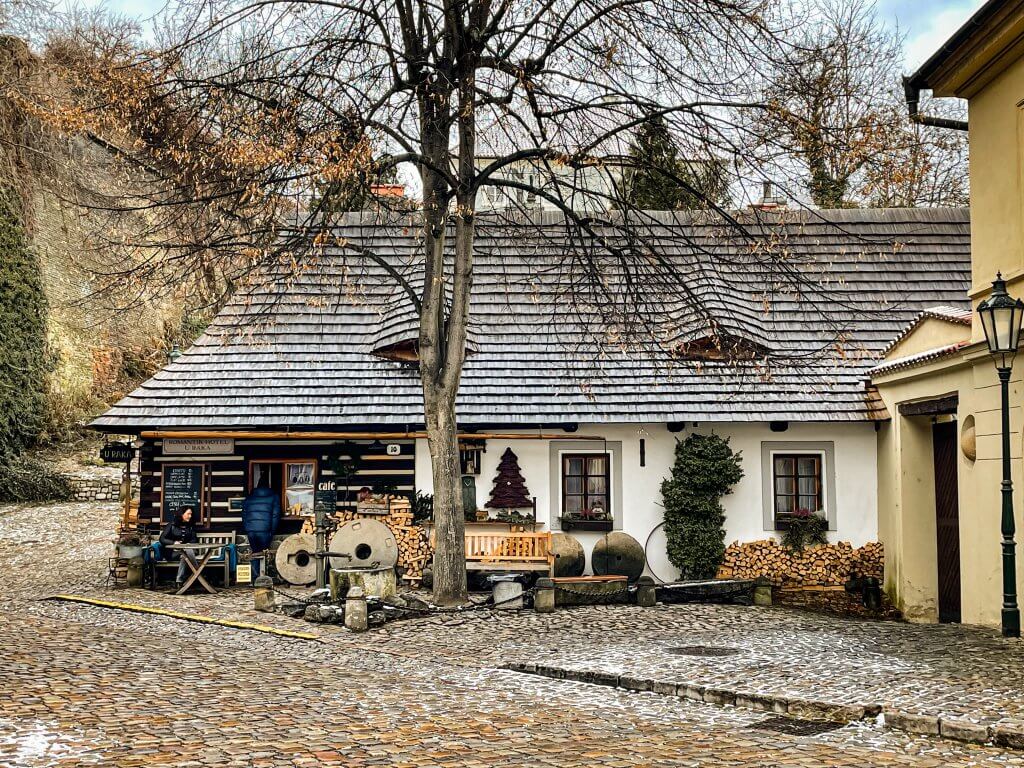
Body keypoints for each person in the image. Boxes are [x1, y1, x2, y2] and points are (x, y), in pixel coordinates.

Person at [160, 506, 199, 589]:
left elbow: (194, 539)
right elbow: (162, 539)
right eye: (188, 514)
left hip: (188, 552)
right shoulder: (171, 525)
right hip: (173, 553)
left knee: (184, 555)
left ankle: (179, 581)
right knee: (185, 554)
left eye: (191, 514)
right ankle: (198, 572)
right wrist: (174, 543)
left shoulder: (190, 526)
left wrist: (189, 543)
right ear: (182, 514)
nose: (190, 516)